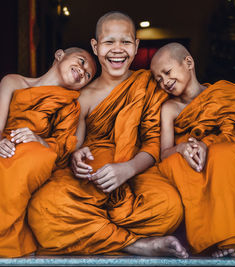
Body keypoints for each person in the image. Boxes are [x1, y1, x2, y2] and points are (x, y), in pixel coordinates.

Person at [28, 11, 189, 258]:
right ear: (95, 46)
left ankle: (94, 231)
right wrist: (76, 157)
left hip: (137, 172)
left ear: (136, 47)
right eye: (108, 42)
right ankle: (134, 244)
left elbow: (153, 142)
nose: (117, 50)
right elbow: (73, 144)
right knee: (44, 206)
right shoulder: (82, 94)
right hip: (92, 178)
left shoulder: (147, 84)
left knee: (170, 207)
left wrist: (128, 169)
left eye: (125, 42)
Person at [0, 47, 96, 258]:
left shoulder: (73, 103)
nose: (82, 71)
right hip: (2, 147)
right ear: (59, 55)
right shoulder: (13, 82)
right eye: (81, 61)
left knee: (37, 156)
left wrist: (41, 140)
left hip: (38, 153)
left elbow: (68, 146)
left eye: (88, 75)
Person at [150, 42, 235, 258]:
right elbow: (164, 153)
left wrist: (205, 144)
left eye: (167, 72)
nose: (165, 82)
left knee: (226, 152)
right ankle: (214, 242)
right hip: (184, 162)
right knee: (177, 163)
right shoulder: (170, 108)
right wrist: (182, 148)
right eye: (159, 79)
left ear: (188, 62)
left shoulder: (223, 94)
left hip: (218, 158)